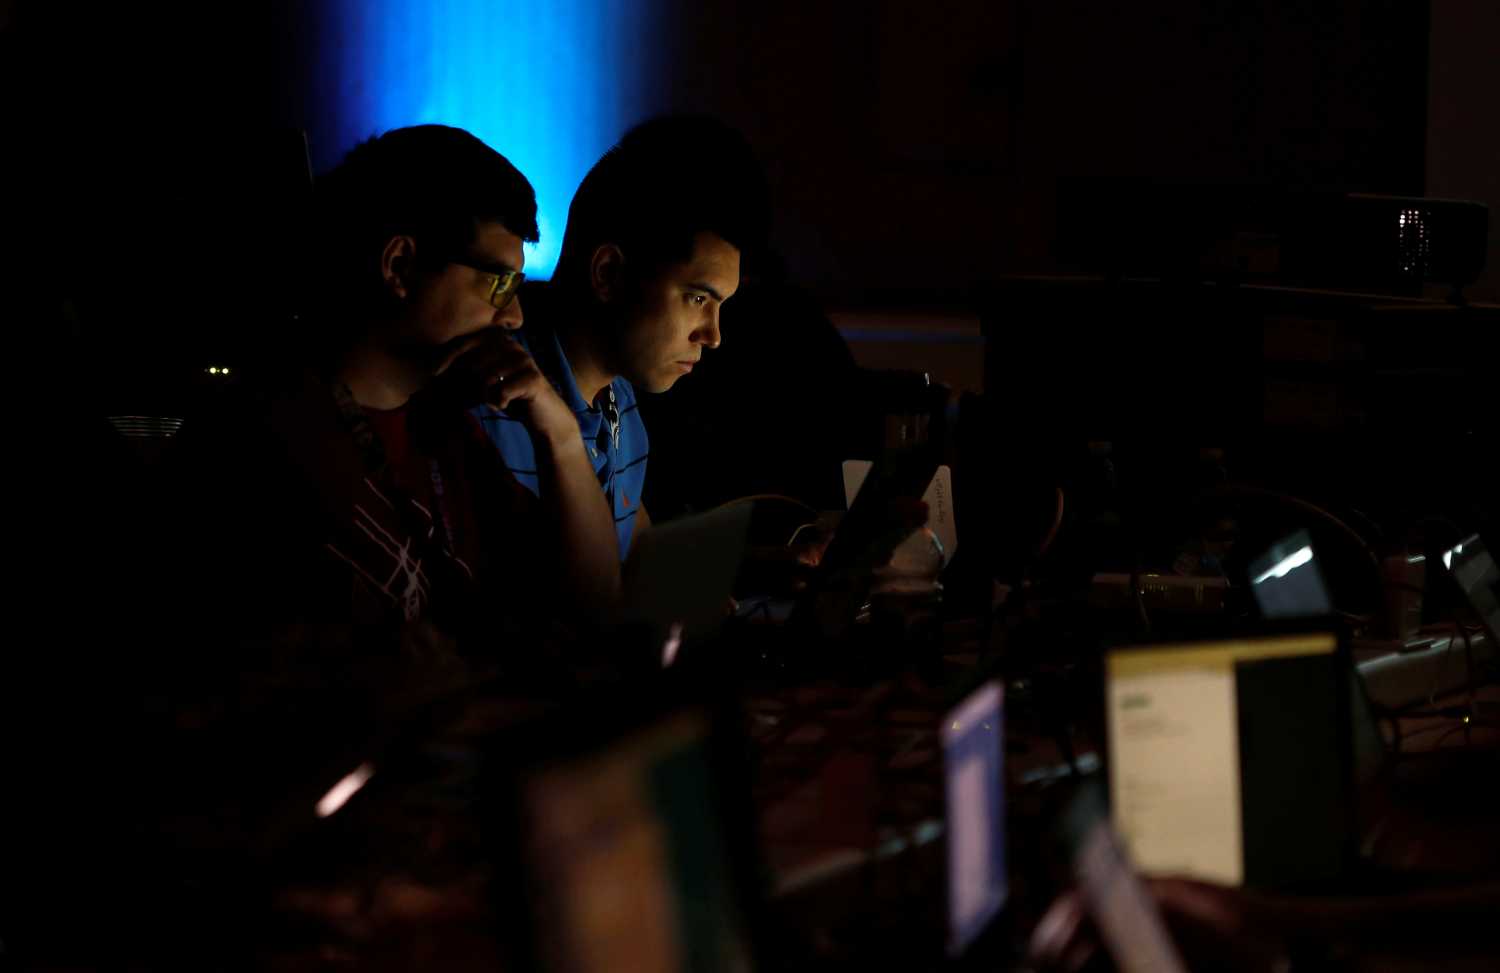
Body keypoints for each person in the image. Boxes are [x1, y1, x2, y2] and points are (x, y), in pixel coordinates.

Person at [157, 124, 621, 687]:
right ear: (399, 266)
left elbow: (592, 609)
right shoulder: (253, 444)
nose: (516, 317)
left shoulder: (444, 426)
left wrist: (561, 435)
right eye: (499, 284)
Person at [478, 115, 768, 559]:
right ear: (608, 273)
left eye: (720, 306)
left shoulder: (619, 400)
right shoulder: (497, 404)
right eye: (696, 299)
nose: (713, 336)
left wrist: (764, 565)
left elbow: (633, 554)